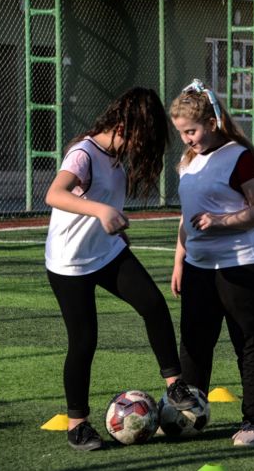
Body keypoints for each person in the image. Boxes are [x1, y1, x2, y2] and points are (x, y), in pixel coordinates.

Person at [44, 87, 198, 451]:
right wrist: (100, 210)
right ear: (127, 126)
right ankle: (77, 425)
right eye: (143, 137)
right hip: (69, 262)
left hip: (107, 252)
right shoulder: (84, 153)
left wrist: (118, 237)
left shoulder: (115, 155)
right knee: (83, 341)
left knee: (153, 304)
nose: (143, 147)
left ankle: (174, 385)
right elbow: (54, 194)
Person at [170, 79, 254, 446]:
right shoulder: (187, 162)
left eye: (192, 130)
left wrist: (220, 223)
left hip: (242, 265)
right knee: (194, 345)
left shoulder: (239, 156)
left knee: (248, 341)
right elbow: (186, 217)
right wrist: (180, 260)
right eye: (182, 133)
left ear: (213, 123)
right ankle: (190, 416)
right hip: (200, 267)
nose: (187, 139)